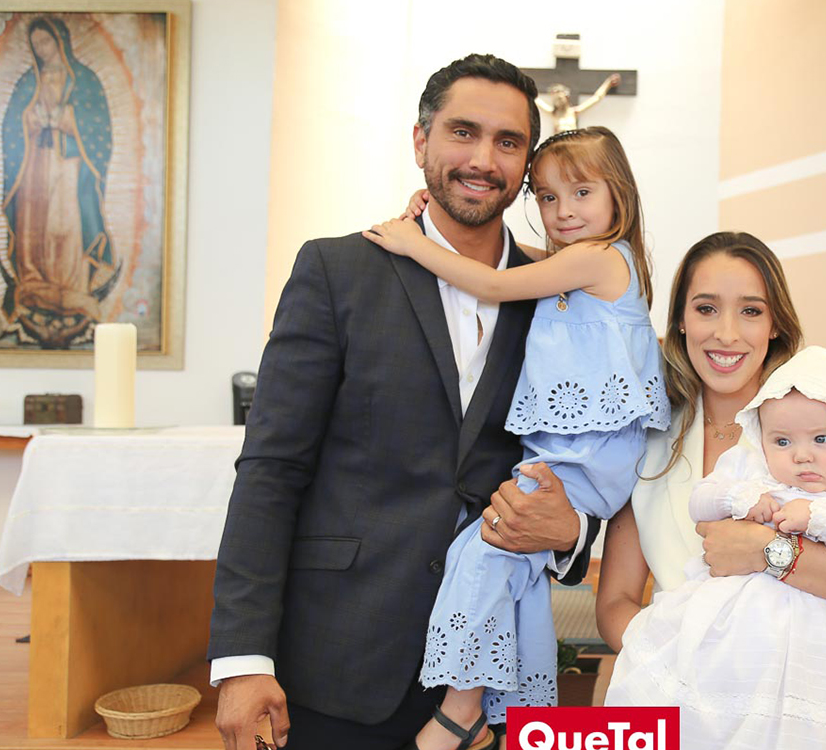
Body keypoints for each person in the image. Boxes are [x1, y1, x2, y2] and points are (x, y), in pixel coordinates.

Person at [208, 54, 601, 750]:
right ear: (421, 141)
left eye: (508, 142)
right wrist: (243, 659)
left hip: (492, 669)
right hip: (342, 652)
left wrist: (571, 531)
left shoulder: (563, 294)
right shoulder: (337, 271)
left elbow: (599, 453)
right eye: (462, 132)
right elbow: (272, 467)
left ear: (525, 164)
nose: (483, 159)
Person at [364, 125, 668, 750]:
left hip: (587, 457)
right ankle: (509, 711)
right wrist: (431, 225)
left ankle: (459, 712)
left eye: (581, 193)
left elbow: (496, 282)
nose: (563, 212)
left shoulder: (599, 258)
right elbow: (512, 258)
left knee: (487, 550)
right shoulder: (576, 262)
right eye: (548, 197)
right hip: (571, 455)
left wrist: (413, 244)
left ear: (619, 194)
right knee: (507, 567)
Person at [595, 231, 826, 737]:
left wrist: (769, 553)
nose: (726, 333)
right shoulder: (648, 440)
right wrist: (686, 665)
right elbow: (614, 604)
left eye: (751, 311)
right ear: (680, 321)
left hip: (800, 706)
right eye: (706, 309)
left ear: (776, 323)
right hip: (679, 697)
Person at [605, 346, 826, 748]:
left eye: (821, 439)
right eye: (782, 441)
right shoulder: (752, 467)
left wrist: (821, 519)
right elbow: (701, 499)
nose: (802, 455)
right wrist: (740, 498)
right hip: (728, 642)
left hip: (819, 646)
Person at [1, 16, 117, 348]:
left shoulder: (84, 80)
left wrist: (68, 119)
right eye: (35, 44)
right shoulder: (29, 81)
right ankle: (33, 281)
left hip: (69, 165)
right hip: (34, 165)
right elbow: (12, 125)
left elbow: (98, 128)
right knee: (33, 227)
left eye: (46, 42)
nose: (41, 49)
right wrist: (31, 119)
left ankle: (71, 287)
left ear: (60, 41)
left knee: (65, 225)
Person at [535, 74, 620, 132]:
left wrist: (608, 83)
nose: (558, 102)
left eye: (560, 98)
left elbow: (596, 98)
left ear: (566, 97)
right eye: (555, 99)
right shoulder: (554, 113)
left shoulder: (574, 112)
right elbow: (536, 100)